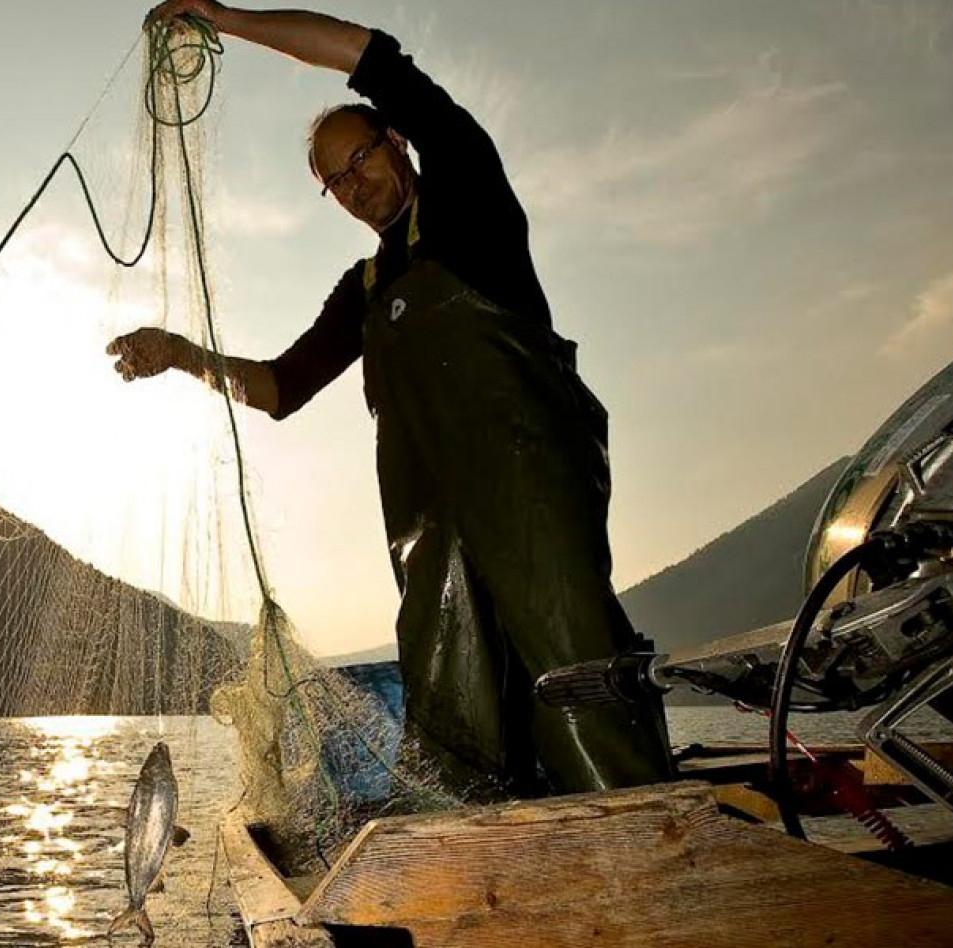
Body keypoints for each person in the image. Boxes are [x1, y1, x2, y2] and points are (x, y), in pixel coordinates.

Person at [109, 1, 673, 800]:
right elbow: (278, 388)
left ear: (397, 140)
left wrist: (224, 18)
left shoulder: (468, 192)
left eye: (359, 158)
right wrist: (181, 355)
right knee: (449, 693)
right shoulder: (364, 290)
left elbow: (366, 53)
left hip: (531, 498)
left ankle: (643, 817)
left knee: (573, 658)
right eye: (333, 181)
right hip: (432, 539)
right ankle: (469, 846)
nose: (353, 184)